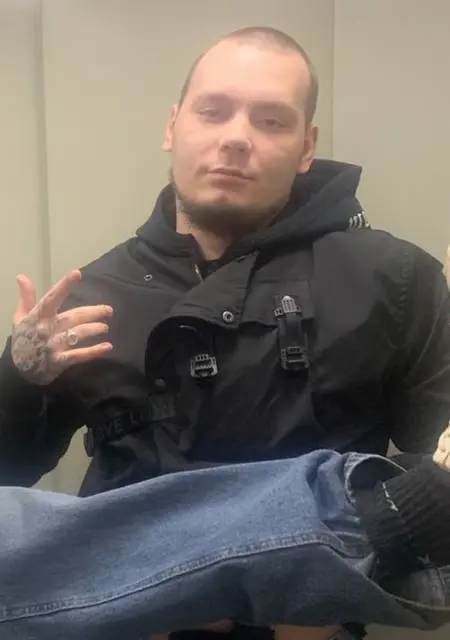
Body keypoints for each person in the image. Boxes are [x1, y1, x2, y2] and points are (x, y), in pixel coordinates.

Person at [1, 24, 449, 640]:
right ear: (173, 126)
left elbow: (440, 472)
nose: (236, 137)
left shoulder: (393, 278)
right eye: (213, 111)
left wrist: (334, 584)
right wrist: (18, 378)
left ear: (306, 146)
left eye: (271, 121)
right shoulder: (90, 295)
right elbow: (10, 474)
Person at [2, 424, 450, 640]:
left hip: (315, 610)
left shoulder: (392, 279)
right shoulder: (104, 288)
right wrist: (24, 382)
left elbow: (427, 425)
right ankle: (387, 519)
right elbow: (14, 462)